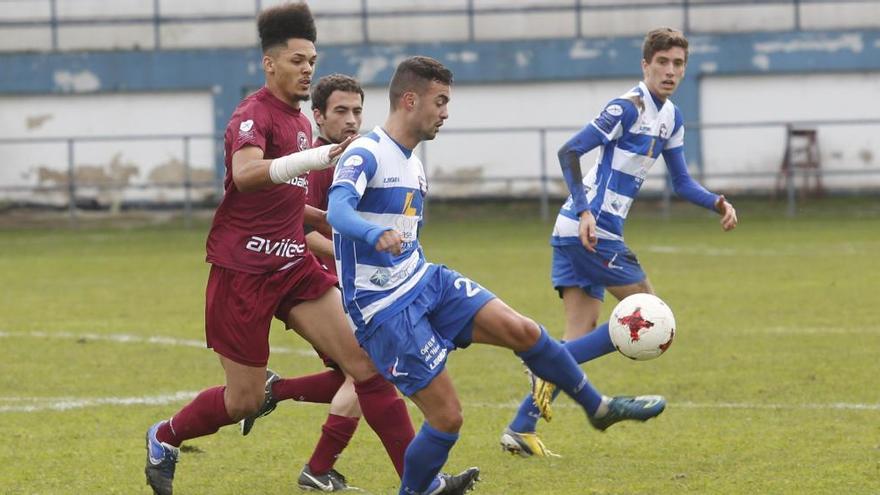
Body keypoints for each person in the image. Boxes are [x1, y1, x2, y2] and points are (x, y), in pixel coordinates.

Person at [326, 55, 667, 495]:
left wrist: (396, 246)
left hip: (424, 281)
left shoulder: (412, 163)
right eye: (440, 101)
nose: (446, 112)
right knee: (447, 418)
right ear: (409, 100)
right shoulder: (366, 152)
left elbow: (401, 235)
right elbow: (338, 211)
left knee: (523, 330)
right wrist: (374, 235)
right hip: (383, 309)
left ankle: (597, 407)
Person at [143, 5, 416, 494]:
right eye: (297, 59)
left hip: (292, 266)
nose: (307, 68)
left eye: (311, 59)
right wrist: (314, 156)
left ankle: (421, 482)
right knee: (243, 400)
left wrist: (359, 230)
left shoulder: (296, 122)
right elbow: (247, 177)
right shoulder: (253, 115)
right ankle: (164, 436)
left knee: (367, 366)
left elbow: (291, 208)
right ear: (270, 63)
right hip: (242, 270)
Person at [500, 27, 739, 457]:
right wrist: (587, 210)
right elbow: (570, 151)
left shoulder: (671, 118)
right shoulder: (627, 107)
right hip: (590, 230)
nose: (670, 71)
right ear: (645, 65)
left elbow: (681, 182)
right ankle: (540, 363)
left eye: (678, 63)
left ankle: (521, 426)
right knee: (648, 311)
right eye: (662, 62)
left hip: (583, 232)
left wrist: (717, 202)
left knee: (581, 333)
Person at [238, 73, 408, 492]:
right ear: (318, 116)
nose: (351, 120)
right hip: (317, 288)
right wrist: (357, 252)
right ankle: (319, 468)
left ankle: (278, 394)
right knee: (370, 374)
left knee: (362, 375)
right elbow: (298, 228)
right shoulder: (313, 163)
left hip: (353, 285)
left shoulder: (359, 157)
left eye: (357, 111)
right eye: (340, 112)